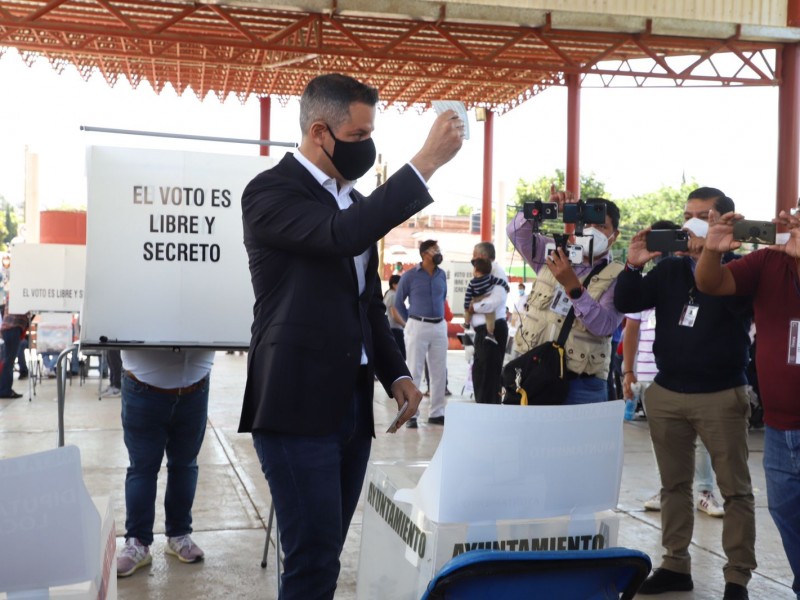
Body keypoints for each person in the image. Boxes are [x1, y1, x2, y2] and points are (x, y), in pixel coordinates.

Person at [237, 73, 463, 599]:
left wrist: (398, 373)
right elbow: (339, 237)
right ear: (320, 132)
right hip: (296, 407)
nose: (368, 147)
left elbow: (364, 306)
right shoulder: (270, 193)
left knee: (327, 555)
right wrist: (424, 161)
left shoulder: (353, 203)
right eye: (359, 137)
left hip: (350, 408)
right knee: (312, 561)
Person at [614, 187, 755, 600]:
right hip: (668, 391)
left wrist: (707, 256)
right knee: (674, 486)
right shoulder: (671, 269)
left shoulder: (742, 269)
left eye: (704, 215)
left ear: (726, 222)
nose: (692, 222)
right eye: (688, 215)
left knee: (735, 490)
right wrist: (632, 265)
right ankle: (675, 564)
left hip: (720, 393)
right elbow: (628, 301)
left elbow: (729, 304)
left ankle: (737, 577)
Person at [695, 206, 800, 600]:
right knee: (787, 515)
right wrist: (711, 250)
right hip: (780, 426)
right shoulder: (769, 259)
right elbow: (712, 284)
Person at [507, 192, 624, 404]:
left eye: (601, 227)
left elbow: (604, 326)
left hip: (582, 383)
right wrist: (545, 208)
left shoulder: (619, 275)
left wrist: (573, 287)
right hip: (533, 372)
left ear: (614, 235)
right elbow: (515, 232)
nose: (592, 230)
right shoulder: (552, 252)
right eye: (587, 223)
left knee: (581, 438)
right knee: (529, 437)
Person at [115, 348, 214, 577]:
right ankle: (137, 542)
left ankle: (179, 535)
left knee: (185, 465)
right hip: (144, 386)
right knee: (142, 468)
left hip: (195, 388)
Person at [394, 240, 449, 427]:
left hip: (439, 326)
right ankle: (412, 415)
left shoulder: (442, 275)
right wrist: (410, 320)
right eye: (435, 249)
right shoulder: (410, 276)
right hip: (418, 325)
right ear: (425, 254)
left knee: (439, 371)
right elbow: (398, 303)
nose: (438, 252)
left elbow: (443, 298)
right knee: (413, 370)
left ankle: (437, 412)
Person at [466, 241, 510, 404]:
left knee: (488, 378)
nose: (473, 259)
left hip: (492, 328)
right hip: (481, 330)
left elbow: (496, 300)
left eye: (474, 256)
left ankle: (488, 414)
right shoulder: (482, 272)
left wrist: (474, 307)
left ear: (483, 256)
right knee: (480, 375)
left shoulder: (496, 272)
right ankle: (484, 409)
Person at [463, 257, 509, 344]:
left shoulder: (472, 282)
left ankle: (467, 323)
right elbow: (500, 281)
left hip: (476, 300)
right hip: (487, 297)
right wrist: (506, 287)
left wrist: (466, 306)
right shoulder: (490, 278)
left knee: (468, 312)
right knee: (491, 317)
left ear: (476, 270)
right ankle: (490, 333)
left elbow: (468, 295)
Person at [0, 311, 29, 398]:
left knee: (7, 360)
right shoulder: (18, 298)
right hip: (13, 328)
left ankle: (4, 389)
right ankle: (5, 390)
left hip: (9, 328)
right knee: (8, 361)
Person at [383, 274, 405, 359]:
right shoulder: (393, 296)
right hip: (395, 329)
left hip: (390, 327)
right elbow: (394, 314)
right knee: (400, 356)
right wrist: (405, 325)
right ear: (394, 284)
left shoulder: (388, 293)